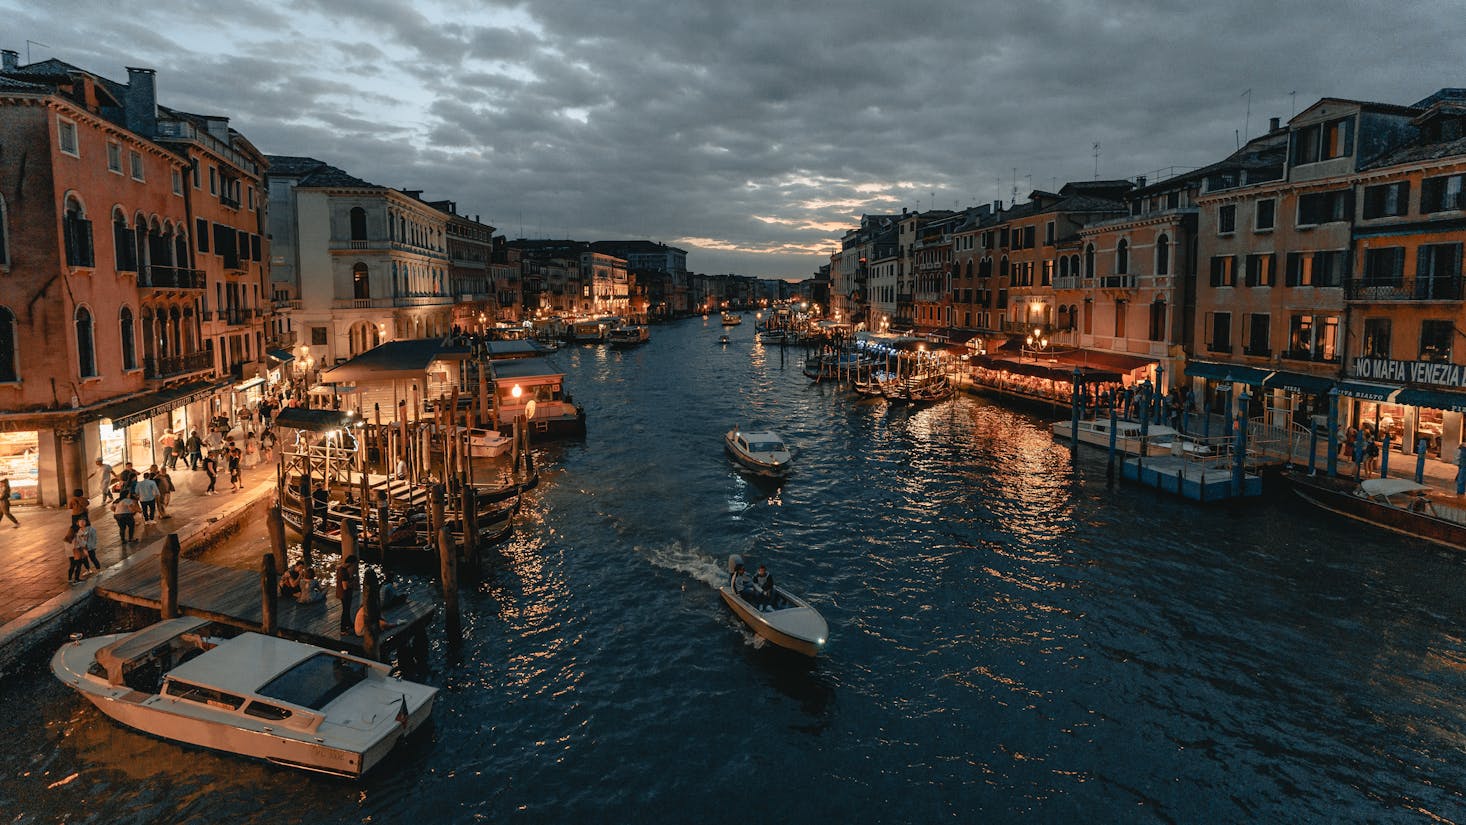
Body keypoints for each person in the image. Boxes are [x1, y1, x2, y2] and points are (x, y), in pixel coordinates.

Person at [336, 556, 359, 634]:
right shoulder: (344, 572)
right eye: (353, 564)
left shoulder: (340, 568)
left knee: (347, 609)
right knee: (345, 610)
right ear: (350, 563)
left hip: (340, 592)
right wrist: (353, 581)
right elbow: (345, 586)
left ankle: (348, 623)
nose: (353, 566)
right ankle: (343, 629)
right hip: (345, 594)